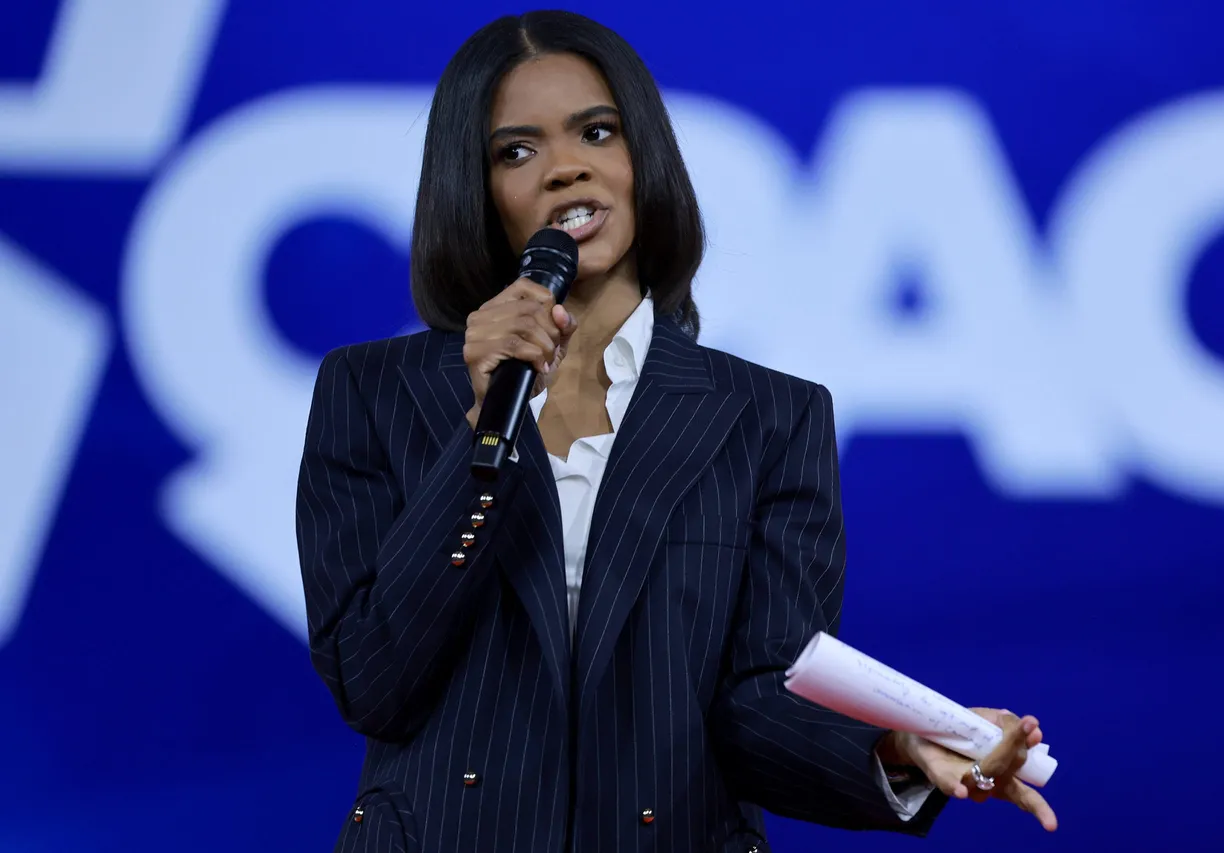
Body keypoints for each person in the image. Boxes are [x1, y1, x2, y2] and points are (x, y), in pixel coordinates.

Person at [295, 10, 1057, 852]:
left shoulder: (771, 415)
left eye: (596, 131)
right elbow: (374, 681)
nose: (566, 167)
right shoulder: (370, 392)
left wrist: (896, 749)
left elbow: (755, 701)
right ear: (474, 192)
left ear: (642, 158)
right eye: (517, 151)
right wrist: (483, 432)